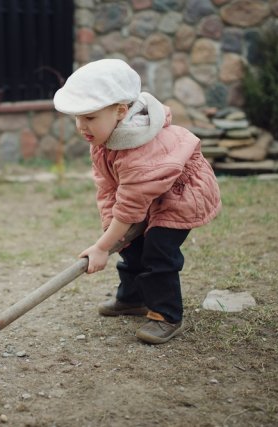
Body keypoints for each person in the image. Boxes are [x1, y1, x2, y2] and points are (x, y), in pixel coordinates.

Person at [53, 59, 221, 345]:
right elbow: (109, 189)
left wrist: (103, 246)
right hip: (147, 192)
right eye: (77, 118)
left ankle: (167, 315)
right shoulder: (103, 142)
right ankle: (132, 299)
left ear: (121, 111)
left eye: (90, 117)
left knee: (157, 250)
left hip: (182, 193)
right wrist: (113, 235)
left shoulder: (139, 152)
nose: (82, 126)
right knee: (130, 243)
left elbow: (130, 207)